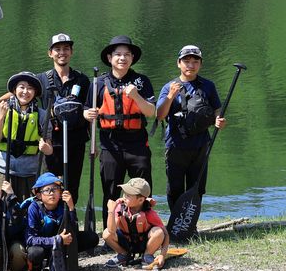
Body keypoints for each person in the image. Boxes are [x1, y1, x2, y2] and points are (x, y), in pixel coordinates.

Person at [83, 35, 156, 220]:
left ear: (132, 58)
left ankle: (144, 226)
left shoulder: (141, 81)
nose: (122, 58)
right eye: (118, 54)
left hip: (137, 145)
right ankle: (112, 232)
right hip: (110, 146)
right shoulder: (97, 83)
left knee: (142, 190)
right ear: (110, 58)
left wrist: (137, 97)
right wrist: (87, 115)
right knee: (110, 190)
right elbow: (86, 111)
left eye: (126, 54)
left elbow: (151, 112)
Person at [155, 45, 226, 215]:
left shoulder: (208, 85)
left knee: (197, 187)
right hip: (176, 145)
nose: (191, 65)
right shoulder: (169, 87)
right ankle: (176, 223)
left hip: (201, 145)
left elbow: (217, 108)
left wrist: (219, 119)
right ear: (178, 63)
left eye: (195, 61)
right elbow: (159, 115)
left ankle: (190, 223)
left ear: (200, 64)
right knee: (175, 188)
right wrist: (171, 96)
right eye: (186, 61)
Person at [37, 34, 90, 204]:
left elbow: (89, 110)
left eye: (66, 49)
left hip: (76, 141)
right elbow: (22, 91)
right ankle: (50, 224)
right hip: (51, 142)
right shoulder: (41, 79)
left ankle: (70, 223)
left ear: (71, 52)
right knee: (49, 185)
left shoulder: (82, 80)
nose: (62, 53)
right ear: (50, 53)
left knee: (71, 186)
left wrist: (93, 144)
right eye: (57, 49)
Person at [0, 71, 53, 200]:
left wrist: (46, 148)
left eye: (30, 88)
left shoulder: (42, 114)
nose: (25, 91)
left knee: (29, 209)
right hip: (3, 169)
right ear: (14, 90)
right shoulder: (1, 109)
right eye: (21, 87)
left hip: (31, 171)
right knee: (4, 209)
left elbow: (49, 150)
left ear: (35, 92)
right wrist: (1, 117)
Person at [24, 172, 99, 271]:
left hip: (64, 244)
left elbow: (73, 229)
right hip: (44, 245)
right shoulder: (33, 208)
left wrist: (71, 207)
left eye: (55, 189)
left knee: (92, 238)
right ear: (39, 195)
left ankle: (64, 260)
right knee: (35, 252)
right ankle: (36, 268)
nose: (51, 193)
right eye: (46, 190)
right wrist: (56, 240)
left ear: (60, 192)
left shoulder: (64, 205)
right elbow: (30, 239)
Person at [102, 178, 169, 268]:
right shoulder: (120, 209)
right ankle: (123, 255)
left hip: (143, 244)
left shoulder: (149, 213)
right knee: (106, 233)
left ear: (141, 200)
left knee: (159, 232)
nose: (124, 197)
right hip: (126, 243)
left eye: (128, 195)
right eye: (124, 193)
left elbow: (165, 234)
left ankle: (147, 256)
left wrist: (162, 255)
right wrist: (111, 210)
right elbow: (111, 231)